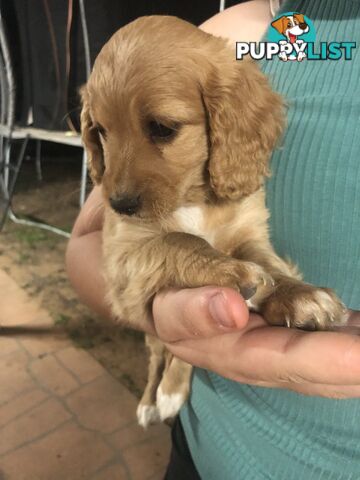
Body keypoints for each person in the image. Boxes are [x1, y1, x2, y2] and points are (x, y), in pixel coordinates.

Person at [66, 0, 360, 478]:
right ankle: (158, 378)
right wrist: (164, 323)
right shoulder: (264, 30)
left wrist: (271, 288)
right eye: (102, 132)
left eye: (161, 129)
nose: (117, 185)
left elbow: (251, 252)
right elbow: (86, 245)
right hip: (202, 448)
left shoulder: (235, 74)